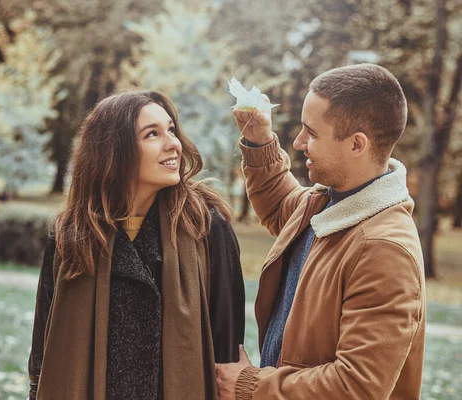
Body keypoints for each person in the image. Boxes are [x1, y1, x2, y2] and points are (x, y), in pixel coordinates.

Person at [215, 63, 426, 399]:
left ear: (357, 144)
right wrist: (259, 140)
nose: (298, 142)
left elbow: (355, 387)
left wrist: (249, 386)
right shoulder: (330, 203)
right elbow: (281, 202)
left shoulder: (384, 250)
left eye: (311, 133)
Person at [28, 90, 245, 400]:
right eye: (152, 134)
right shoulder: (73, 232)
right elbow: (43, 347)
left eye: (171, 129)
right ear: (116, 151)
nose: (173, 143)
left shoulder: (207, 226)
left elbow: (227, 347)